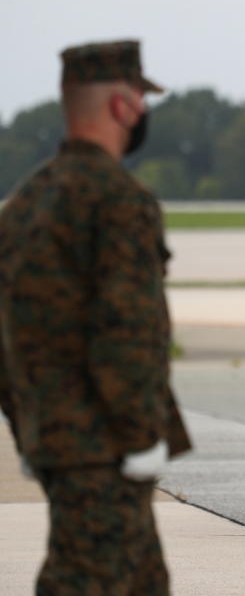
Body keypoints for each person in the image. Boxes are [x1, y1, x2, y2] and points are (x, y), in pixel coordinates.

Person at [0, 40, 192, 595]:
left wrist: (30, 431)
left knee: (136, 580)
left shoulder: (26, 202)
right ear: (122, 105)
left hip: (54, 436)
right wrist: (140, 436)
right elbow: (127, 331)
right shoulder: (117, 199)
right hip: (104, 443)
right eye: (140, 98)